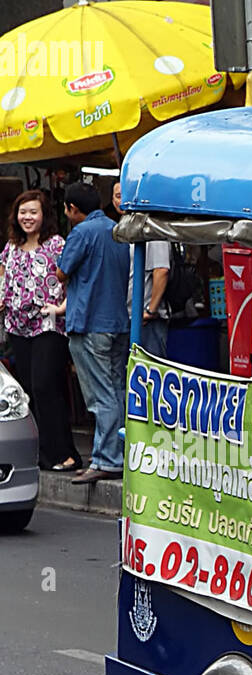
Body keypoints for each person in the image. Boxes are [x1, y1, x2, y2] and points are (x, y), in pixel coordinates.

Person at [0, 190, 80, 471]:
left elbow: (76, 280)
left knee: (47, 386)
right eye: (23, 212)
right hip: (17, 327)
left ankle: (66, 454)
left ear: (44, 215)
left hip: (48, 325)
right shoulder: (11, 246)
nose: (27, 218)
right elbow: (3, 276)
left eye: (33, 212)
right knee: (28, 390)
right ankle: (42, 454)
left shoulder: (56, 245)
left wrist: (62, 307)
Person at [57, 182, 130, 484]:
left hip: (89, 322)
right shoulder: (118, 230)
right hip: (117, 321)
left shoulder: (82, 232)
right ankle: (115, 453)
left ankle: (106, 459)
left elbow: (62, 271)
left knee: (101, 397)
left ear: (73, 209)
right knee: (116, 391)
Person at [113, 180, 170, 358]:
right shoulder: (123, 229)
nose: (121, 200)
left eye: (125, 195)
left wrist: (150, 311)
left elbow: (161, 270)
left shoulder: (151, 228)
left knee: (149, 374)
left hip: (147, 320)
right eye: (117, 196)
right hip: (128, 317)